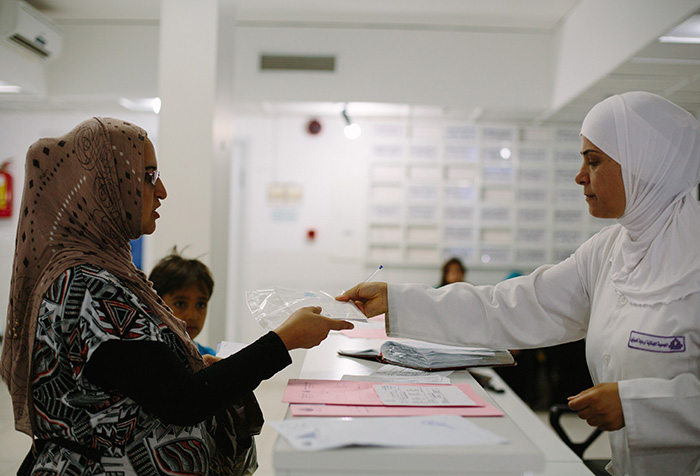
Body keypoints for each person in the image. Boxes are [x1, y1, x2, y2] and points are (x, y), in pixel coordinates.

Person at [338, 92, 700, 476]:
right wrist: (399, 300)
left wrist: (640, 406)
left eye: (594, 162)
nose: (580, 177)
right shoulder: (610, 251)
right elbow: (515, 304)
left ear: (644, 165)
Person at [0, 117, 353, 476]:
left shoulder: (108, 272)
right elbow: (184, 400)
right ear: (101, 185)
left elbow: (151, 382)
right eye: (148, 176)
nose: (162, 190)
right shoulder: (87, 285)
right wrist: (284, 340)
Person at [149, 248, 217, 356]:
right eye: (180, 304)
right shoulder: (146, 355)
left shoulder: (210, 357)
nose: (192, 316)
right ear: (156, 305)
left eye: (201, 305)